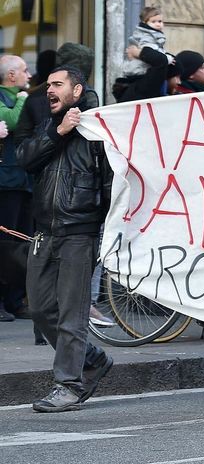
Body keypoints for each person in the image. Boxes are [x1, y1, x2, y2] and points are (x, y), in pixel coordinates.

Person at [17, 66, 114, 412]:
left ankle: (69, 385)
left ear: (77, 90)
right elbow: (25, 159)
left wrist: (105, 233)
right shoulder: (50, 127)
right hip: (45, 232)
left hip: (80, 233)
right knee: (41, 310)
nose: (49, 90)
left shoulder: (98, 132)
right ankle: (91, 359)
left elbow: (110, 187)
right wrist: (59, 132)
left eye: (58, 85)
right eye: (48, 86)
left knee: (72, 314)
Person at [0, 54, 32, 322]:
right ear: (11, 75)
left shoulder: (24, 97)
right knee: (4, 243)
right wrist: (22, 100)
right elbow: (11, 122)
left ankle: (16, 299)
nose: (29, 75)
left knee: (21, 243)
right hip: (5, 181)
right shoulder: (5, 98)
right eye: (24, 70)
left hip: (23, 180)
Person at [118, 6, 170, 80]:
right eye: (153, 22)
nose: (158, 24)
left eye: (160, 21)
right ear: (144, 22)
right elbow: (149, 51)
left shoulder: (155, 34)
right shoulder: (147, 35)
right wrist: (167, 58)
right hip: (140, 70)